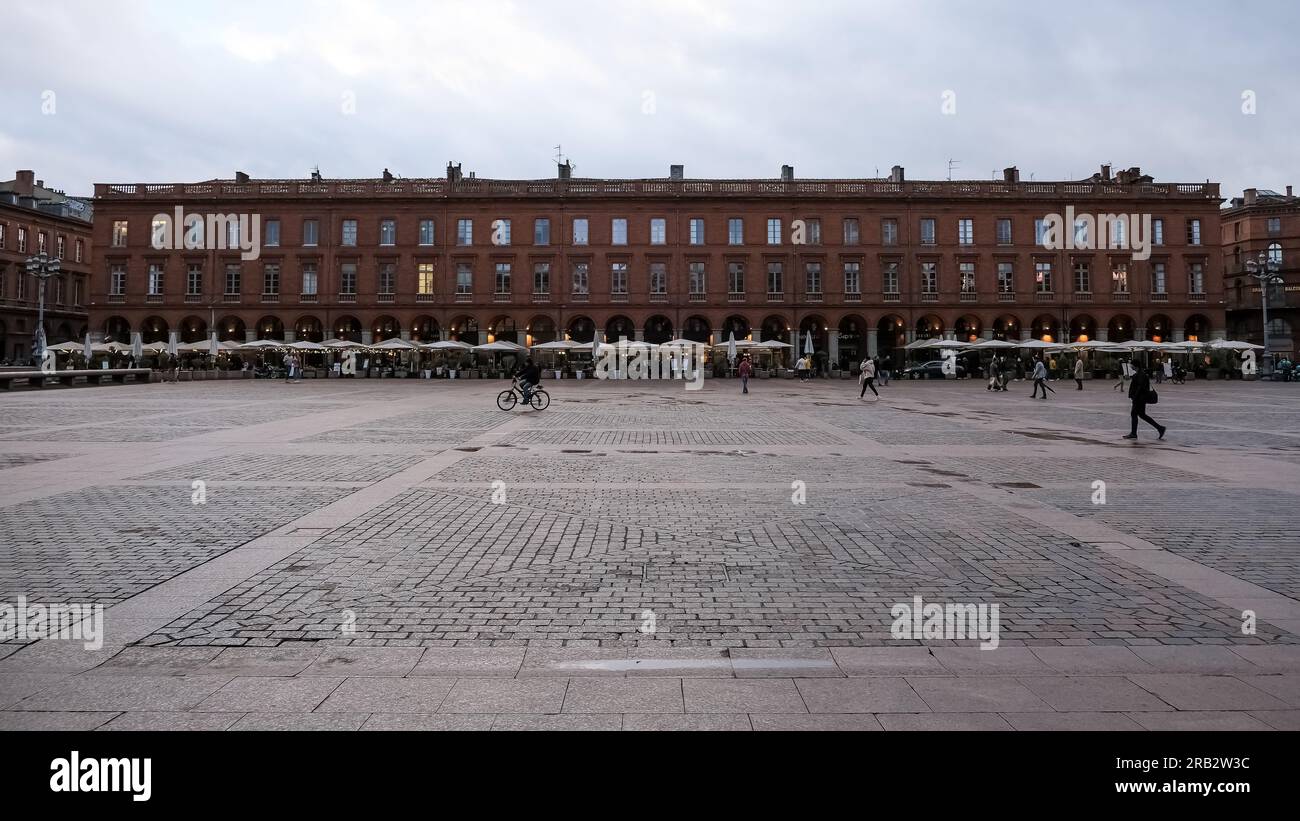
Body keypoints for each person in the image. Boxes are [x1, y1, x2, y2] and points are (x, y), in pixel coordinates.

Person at [1124, 364, 1166, 441]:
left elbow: (1140, 387)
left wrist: (1135, 396)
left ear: (1135, 365)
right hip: (1140, 398)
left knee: (1134, 414)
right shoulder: (1140, 374)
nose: (1131, 367)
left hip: (1139, 399)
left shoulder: (1141, 374)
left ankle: (1133, 433)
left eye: (1132, 365)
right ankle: (1160, 428)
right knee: (1142, 415)